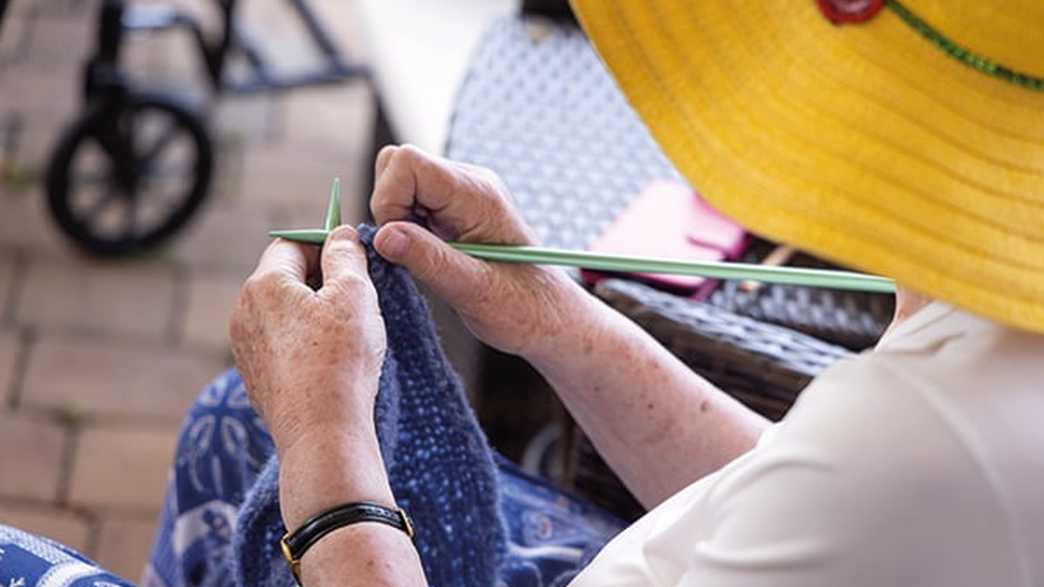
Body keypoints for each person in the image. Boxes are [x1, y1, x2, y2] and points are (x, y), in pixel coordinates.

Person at [4, 0, 1044, 585]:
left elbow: (879, 480)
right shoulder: (986, 346)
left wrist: (326, 446)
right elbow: (816, 500)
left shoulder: (941, 446)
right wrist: (552, 316)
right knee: (238, 419)